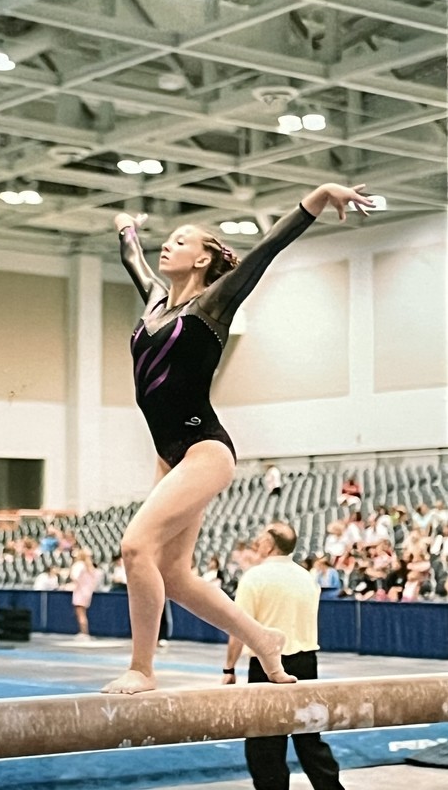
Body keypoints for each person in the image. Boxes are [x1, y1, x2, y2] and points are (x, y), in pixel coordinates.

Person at [103, 182, 374, 694]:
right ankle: (263, 639)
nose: (170, 244)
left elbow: (269, 246)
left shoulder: (214, 304)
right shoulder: (156, 303)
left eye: (182, 240)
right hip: (169, 455)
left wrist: (317, 197)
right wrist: (125, 227)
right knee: (175, 575)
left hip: (205, 448)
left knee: (135, 547)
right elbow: (131, 258)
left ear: (204, 259)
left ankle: (142, 668)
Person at [222, 522, 344, 790]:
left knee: (264, 741)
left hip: (268, 665)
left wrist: (228, 669)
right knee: (309, 738)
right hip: (306, 661)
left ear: (268, 545)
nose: (256, 541)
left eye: (260, 538)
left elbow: (239, 631)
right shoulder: (307, 577)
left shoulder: (255, 577)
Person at [68, 549, 103, 640]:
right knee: (83, 612)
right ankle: (84, 632)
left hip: (80, 591)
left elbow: (74, 576)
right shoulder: (91, 567)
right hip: (87, 592)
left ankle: (84, 633)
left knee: (80, 613)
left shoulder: (79, 565)